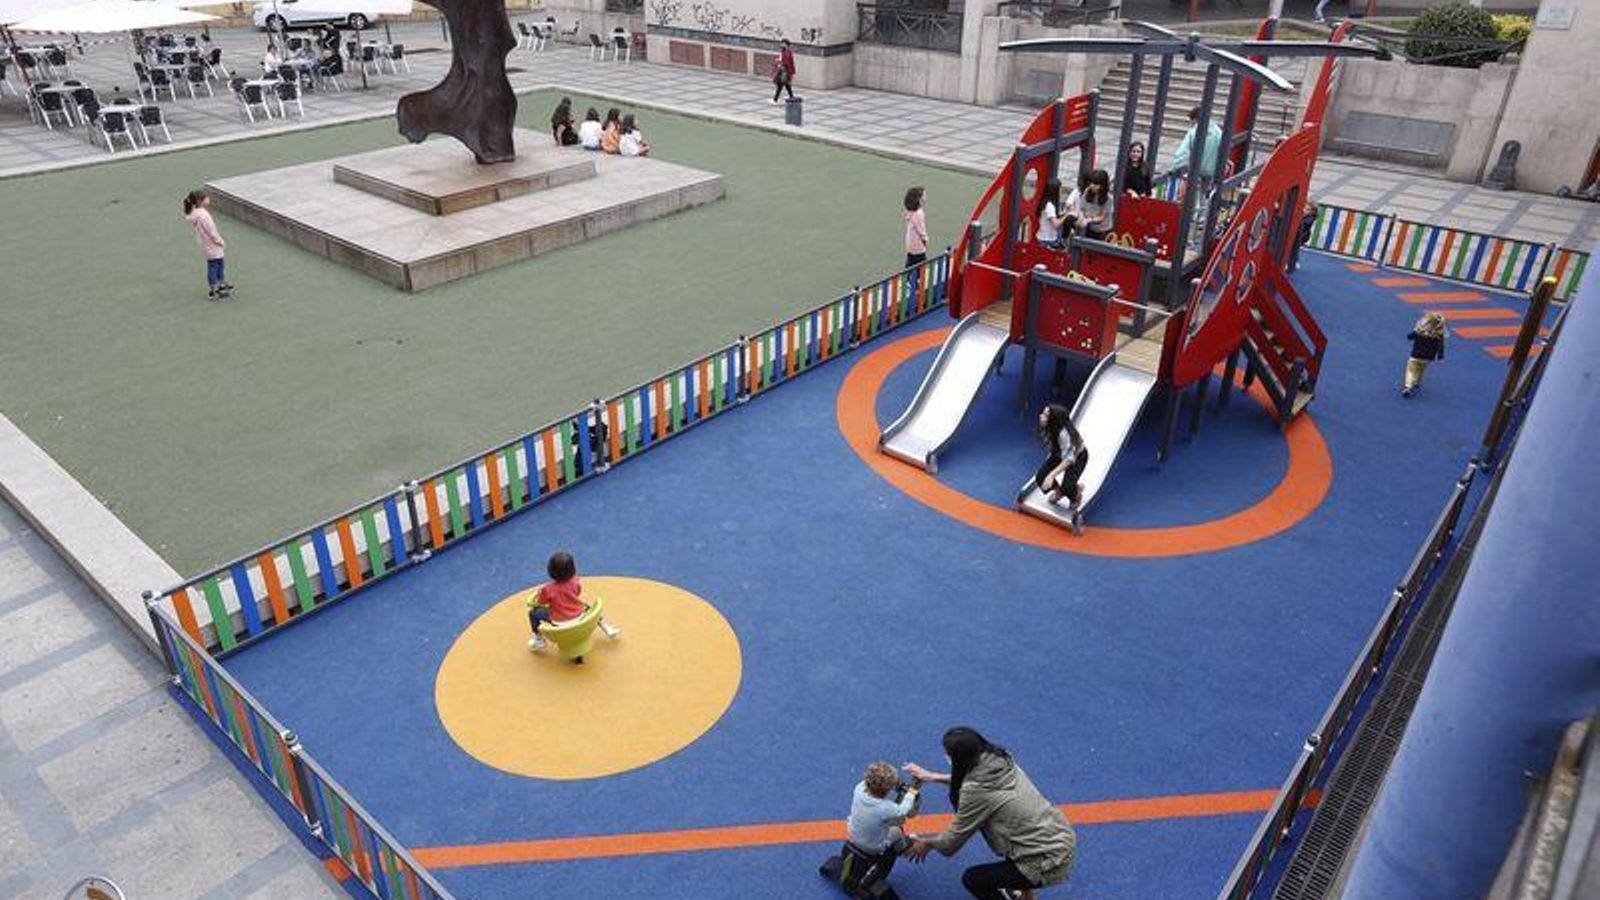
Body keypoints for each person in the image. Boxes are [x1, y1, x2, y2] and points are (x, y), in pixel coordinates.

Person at [904, 728, 1076, 900]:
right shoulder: (1002, 758)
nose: (945, 756)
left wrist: (927, 843)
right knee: (1015, 840)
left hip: (1046, 862)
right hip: (1057, 837)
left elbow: (951, 842)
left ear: (959, 759)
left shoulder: (975, 792)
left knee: (973, 879)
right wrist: (933, 777)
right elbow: (974, 781)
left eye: (948, 754)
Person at [826, 760, 920, 895]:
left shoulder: (858, 789)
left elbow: (871, 781)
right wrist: (911, 791)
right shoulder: (886, 808)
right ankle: (902, 848)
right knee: (897, 830)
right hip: (873, 848)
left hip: (853, 836)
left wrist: (888, 781)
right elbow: (904, 810)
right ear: (887, 789)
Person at [527, 551, 621, 659]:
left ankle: (538, 639)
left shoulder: (547, 589)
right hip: (580, 617)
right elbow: (577, 592)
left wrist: (541, 595)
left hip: (559, 623)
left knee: (533, 613)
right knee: (587, 607)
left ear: (550, 570)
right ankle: (606, 626)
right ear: (572, 568)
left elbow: (540, 602)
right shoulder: (575, 581)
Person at [1033, 403, 1087, 533]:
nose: (1041, 416)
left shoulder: (1064, 435)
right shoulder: (1049, 428)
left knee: (1068, 486)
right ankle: (1059, 491)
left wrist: (1051, 475)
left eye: (1046, 415)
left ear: (1054, 420)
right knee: (1040, 477)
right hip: (1059, 454)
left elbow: (1069, 460)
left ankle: (1075, 494)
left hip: (1077, 457)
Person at [183, 189, 231, 301]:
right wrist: (220, 241)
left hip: (206, 244)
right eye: (206, 198)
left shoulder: (195, 213)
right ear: (200, 201)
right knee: (215, 266)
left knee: (217, 264)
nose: (208, 199)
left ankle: (220, 285)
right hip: (212, 245)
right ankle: (214, 291)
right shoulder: (204, 216)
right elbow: (212, 232)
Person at [1169, 105, 1223, 187]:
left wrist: (1173, 168)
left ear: (1195, 120)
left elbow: (1183, 153)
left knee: (1191, 192)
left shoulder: (1193, 133)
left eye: (1191, 121)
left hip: (1195, 170)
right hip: (1212, 171)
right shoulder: (1218, 132)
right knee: (1205, 193)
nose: (1190, 123)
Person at [1403, 312, 1447, 398]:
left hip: (1416, 355)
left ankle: (1408, 386)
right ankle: (1416, 382)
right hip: (1428, 357)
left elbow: (1409, 337)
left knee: (1411, 370)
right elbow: (1440, 346)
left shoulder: (1420, 330)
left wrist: (1415, 330)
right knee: (1420, 370)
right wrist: (1440, 357)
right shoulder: (1438, 334)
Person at [1077, 169, 1114, 241]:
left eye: (1096, 184)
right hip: (1089, 227)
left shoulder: (1109, 198)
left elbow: (1102, 217)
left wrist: (1088, 220)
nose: (1092, 186)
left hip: (1102, 231)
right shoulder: (1087, 191)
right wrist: (1081, 217)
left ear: (1102, 185)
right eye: (1092, 183)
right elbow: (1082, 208)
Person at [1035, 178, 1068, 251]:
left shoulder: (1045, 202)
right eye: (1060, 188)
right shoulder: (1050, 206)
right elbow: (1056, 224)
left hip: (1043, 237)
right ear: (1055, 191)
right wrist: (1067, 216)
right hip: (1047, 239)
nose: (1061, 191)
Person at [904, 186, 929, 270]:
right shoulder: (919, 213)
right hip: (917, 244)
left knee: (910, 261)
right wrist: (926, 239)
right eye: (924, 195)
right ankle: (919, 280)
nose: (926, 197)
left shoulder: (910, 211)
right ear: (919, 199)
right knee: (921, 266)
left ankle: (907, 279)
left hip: (909, 242)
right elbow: (921, 230)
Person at [771, 38, 796, 104]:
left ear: (786, 44)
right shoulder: (785, 51)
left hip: (784, 71)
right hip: (785, 71)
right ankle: (791, 97)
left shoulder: (787, 52)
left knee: (780, 85)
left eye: (783, 43)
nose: (781, 45)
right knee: (786, 85)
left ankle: (775, 100)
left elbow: (787, 62)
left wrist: (780, 63)